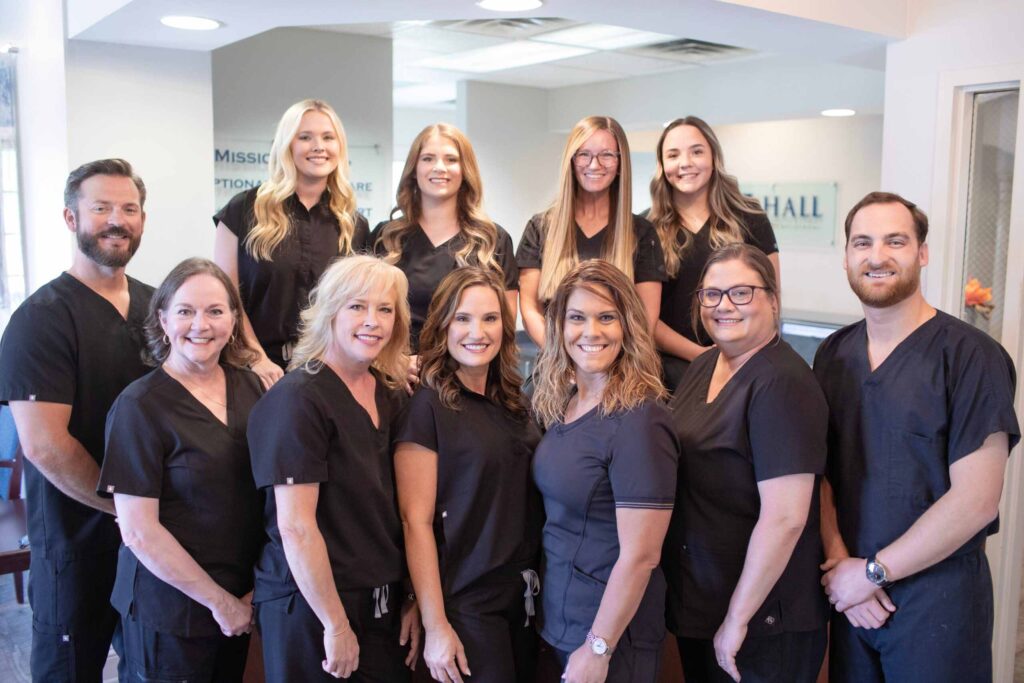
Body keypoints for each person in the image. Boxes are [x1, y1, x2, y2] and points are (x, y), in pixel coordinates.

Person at [815, 192, 1020, 682]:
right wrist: (842, 565)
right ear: (846, 256)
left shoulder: (971, 357)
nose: (877, 256)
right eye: (862, 242)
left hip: (937, 603)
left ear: (922, 253)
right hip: (852, 601)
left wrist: (872, 574)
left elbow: (977, 501)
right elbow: (818, 472)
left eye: (896, 241)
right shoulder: (832, 355)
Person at [0, 158, 153, 681]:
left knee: (149, 665)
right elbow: (44, 446)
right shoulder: (41, 320)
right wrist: (124, 511)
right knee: (70, 670)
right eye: (102, 208)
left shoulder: (161, 308)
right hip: (78, 536)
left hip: (152, 541)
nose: (118, 219)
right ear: (71, 219)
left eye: (129, 208)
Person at [248, 255, 421, 682]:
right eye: (357, 307)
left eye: (385, 309)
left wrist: (410, 597)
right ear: (329, 312)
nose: (373, 321)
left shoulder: (390, 394)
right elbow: (296, 528)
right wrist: (336, 624)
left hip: (380, 602)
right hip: (313, 609)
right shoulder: (298, 400)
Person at [664, 244, 828, 683]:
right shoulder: (707, 364)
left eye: (741, 292)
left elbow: (786, 519)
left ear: (773, 300)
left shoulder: (782, 383)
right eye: (711, 294)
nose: (723, 306)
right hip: (706, 602)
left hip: (760, 619)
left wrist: (737, 619)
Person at [98, 258, 263, 682]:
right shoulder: (139, 407)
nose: (200, 325)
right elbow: (139, 532)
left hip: (243, 599)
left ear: (233, 319)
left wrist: (250, 595)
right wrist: (219, 602)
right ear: (163, 319)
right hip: (171, 610)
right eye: (186, 311)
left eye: (215, 311)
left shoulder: (252, 388)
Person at [531, 259, 679, 682]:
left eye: (606, 318)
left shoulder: (640, 419)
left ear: (628, 325)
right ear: (559, 326)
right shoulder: (564, 403)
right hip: (563, 621)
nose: (591, 332)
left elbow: (642, 554)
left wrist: (599, 646)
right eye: (577, 317)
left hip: (610, 638)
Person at [395, 267, 542, 683]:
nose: (477, 331)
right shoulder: (426, 408)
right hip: (465, 603)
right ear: (442, 325)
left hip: (524, 597)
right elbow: (415, 523)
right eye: (462, 318)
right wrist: (435, 622)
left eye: (490, 318)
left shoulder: (516, 402)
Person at [214, 98, 370, 387]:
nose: (318, 146)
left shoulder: (353, 224)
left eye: (328, 137)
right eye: (305, 137)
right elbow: (225, 296)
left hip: (327, 372)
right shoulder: (243, 210)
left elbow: (356, 306)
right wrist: (256, 358)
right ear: (287, 145)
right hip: (254, 373)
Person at [648, 116, 780, 390]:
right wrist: (703, 357)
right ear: (662, 165)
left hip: (742, 366)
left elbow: (771, 300)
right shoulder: (644, 229)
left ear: (713, 158)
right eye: (673, 155)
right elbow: (644, 317)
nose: (685, 163)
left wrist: (733, 357)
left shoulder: (750, 218)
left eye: (697, 151)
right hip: (670, 374)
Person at [517, 116, 666, 347]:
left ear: (620, 163)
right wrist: (563, 358)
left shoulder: (642, 233)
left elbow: (645, 319)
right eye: (584, 154)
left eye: (606, 155)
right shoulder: (540, 228)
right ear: (572, 160)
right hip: (556, 372)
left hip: (619, 371)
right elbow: (530, 309)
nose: (594, 164)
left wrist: (607, 363)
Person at [373, 123, 518, 356]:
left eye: (451, 159)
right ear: (414, 168)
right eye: (428, 158)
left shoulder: (493, 240)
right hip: (398, 378)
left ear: (465, 170)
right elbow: (367, 319)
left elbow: (504, 327)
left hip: (469, 375)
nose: (440, 167)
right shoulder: (386, 237)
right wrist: (398, 364)